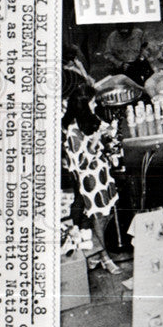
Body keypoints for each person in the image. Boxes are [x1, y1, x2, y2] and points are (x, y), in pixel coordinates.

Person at [61, 86, 123, 275]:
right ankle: (104, 257)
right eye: (92, 102)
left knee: (106, 216)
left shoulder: (90, 120)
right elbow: (80, 161)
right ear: (84, 104)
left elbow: (104, 132)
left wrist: (109, 131)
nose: (95, 104)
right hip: (90, 181)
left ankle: (95, 255)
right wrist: (96, 140)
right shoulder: (72, 130)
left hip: (101, 175)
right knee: (97, 218)